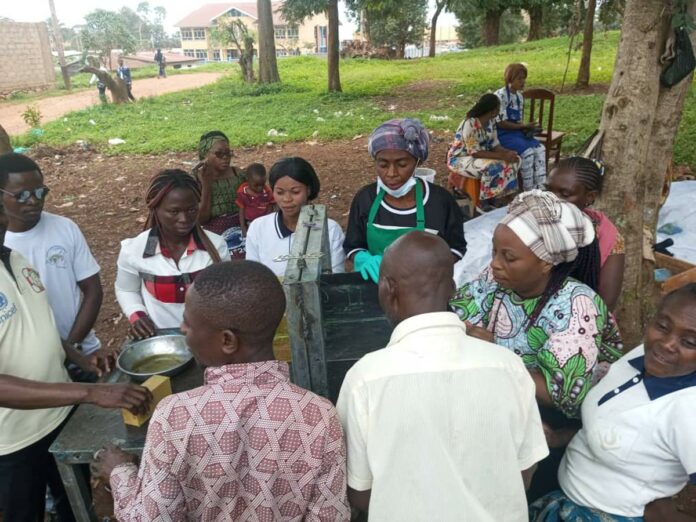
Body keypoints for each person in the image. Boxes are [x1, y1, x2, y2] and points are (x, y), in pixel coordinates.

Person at [94, 260, 351, 521]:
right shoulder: (319, 416)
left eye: (189, 324)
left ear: (227, 340)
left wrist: (120, 473)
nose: (183, 330)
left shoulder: (174, 416)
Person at [336, 231, 549, 520]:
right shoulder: (508, 367)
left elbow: (359, 492)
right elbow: (525, 470)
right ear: (452, 287)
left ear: (387, 288)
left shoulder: (365, 379)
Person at [449, 190, 624, 499]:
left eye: (508, 257)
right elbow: (458, 318)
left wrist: (494, 352)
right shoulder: (496, 278)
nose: (495, 264)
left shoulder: (577, 307)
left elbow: (561, 396)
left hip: (560, 421)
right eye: (494, 252)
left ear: (546, 263)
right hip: (512, 396)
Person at [0, 192, 151, 522]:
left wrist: (82, 360)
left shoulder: (15, 259)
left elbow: (38, 325)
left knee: (76, 507)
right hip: (12, 440)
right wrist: (92, 393)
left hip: (59, 417)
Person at [530, 284, 696, 522]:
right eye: (662, 326)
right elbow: (615, 420)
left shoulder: (689, 409)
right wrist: (560, 437)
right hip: (564, 500)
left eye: (689, 341)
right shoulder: (642, 356)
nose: (668, 343)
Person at [1, 153, 104, 382]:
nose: (33, 201)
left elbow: (93, 291)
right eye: (22, 195)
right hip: (32, 371)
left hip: (83, 354)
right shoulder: (4, 246)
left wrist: (72, 347)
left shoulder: (64, 228)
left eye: (40, 192)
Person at [344, 118, 466, 283]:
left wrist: (428, 266)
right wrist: (363, 259)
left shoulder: (440, 202)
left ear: (418, 162)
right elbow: (353, 245)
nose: (391, 173)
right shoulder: (366, 199)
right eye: (383, 164)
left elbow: (456, 248)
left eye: (402, 164)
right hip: (377, 284)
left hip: (424, 288)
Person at [115, 169, 230, 340]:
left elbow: (227, 293)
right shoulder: (134, 251)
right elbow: (126, 289)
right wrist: (137, 316)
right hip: (161, 341)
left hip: (208, 340)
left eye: (191, 210)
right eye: (174, 211)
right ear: (155, 209)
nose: (184, 219)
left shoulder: (216, 246)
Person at [546, 157, 625, 311]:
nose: (552, 200)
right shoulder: (532, 222)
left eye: (565, 193)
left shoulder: (608, 238)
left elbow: (605, 305)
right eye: (548, 190)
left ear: (590, 197)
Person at [246, 157, 346, 277]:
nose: (287, 199)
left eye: (295, 192)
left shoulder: (330, 229)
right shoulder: (258, 228)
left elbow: (335, 279)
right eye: (280, 192)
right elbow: (255, 278)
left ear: (308, 190)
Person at [447, 93, 521, 213]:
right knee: (492, 166)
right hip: (460, 159)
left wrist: (508, 153)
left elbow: (495, 145)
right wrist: (502, 156)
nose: (499, 111)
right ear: (491, 111)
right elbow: (474, 152)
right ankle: (483, 202)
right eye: (498, 108)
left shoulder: (491, 123)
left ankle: (500, 196)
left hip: (479, 156)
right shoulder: (469, 124)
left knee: (512, 161)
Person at [495, 63, 547, 190]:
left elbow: (517, 122)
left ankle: (541, 188)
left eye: (524, 78)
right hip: (501, 135)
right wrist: (522, 126)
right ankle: (528, 190)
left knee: (541, 149)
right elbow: (501, 123)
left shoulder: (519, 97)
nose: (523, 81)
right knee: (528, 154)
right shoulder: (500, 95)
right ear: (510, 79)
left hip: (516, 133)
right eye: (519, 79)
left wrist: (527, 128)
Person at [193, 130, 245, 235]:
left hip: (241, 231)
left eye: (228, 153)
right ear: (205, 155)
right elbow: (201, 219)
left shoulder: (238, 175)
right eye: (219, 153)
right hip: (212, 235)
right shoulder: (195, 180)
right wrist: (206, 185)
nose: (225, 157)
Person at [236, 162, 274, 237]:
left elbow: (270, 206)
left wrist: (267, 220)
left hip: (264, 221)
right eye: (256, 185)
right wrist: (243, 227)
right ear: (247, 180)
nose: (260, 188)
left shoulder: (267, 191)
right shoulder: (242, 193)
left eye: (262, 184)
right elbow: (241, 210)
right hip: (250, 222)